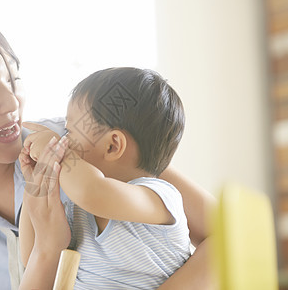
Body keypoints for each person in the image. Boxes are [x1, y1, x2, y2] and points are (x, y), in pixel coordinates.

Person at [0, 8, 215, 290]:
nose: (12, 103)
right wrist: (46, 250)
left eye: (14, 80)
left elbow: (230, 235)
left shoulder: (83, 141)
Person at [20, 67, 191, 288]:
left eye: (69, 133)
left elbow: (91, 190)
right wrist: (35, 183)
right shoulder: (79, 211)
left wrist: (53, 150)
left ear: (112, 146)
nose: (64, 140)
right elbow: (32, 254)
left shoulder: (159, 198)